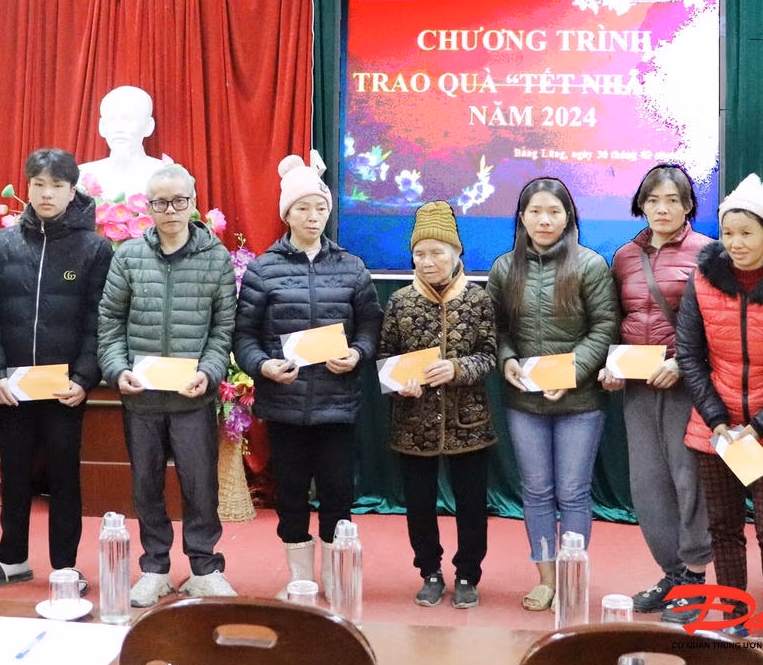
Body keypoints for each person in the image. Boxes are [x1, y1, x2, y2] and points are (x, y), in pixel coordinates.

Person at [674, 173, 763, 659]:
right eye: (727, 232)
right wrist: (718, 422)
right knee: (723, 529)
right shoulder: (703, 279)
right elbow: (689, 354)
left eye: (746, 233)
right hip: (715, 429)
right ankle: (735, 617)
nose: (735, 243)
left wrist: (759, 427)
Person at [233, 153, 382, 601]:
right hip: (285, 405)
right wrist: (263, 366)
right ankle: (300, 579)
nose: (312, 216)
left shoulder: (352, 267)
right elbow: (244, 335)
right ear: (287, 214)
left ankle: (335, 580)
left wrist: (357, 354)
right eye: (302, 208)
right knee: (291, 495)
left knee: (338, 493)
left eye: (320, 207)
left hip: (337, 404)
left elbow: (370, 326)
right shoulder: (263, 269)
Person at [0, 149, 113, 592]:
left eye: (56, 185)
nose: (46, 193)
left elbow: (99, 318)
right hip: (13, 386)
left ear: (72, 191)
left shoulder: (94, 248)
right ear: (27, 187)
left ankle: (65, 566)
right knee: (14, 473)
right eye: (38, 184)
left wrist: (84, 378)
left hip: (65, 388)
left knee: (63, 476)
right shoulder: (2, 243)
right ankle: (11, 560)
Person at [98, 163, 238, 607]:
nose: (171, 210)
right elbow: (109, 322)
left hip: (192, 397)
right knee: (146, 486)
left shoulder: (215, 258)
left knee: (201, 487)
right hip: (141, 399)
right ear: (149, 207)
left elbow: (223, 329)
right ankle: (154, 568)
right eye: (161, 202)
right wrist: (116, 369)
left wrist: (209, 372)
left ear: (193, 203)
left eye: (179, 201)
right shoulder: (128, 256)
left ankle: (204, 568)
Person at [486, 177, 620, 612]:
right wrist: (506, 358)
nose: (544, 220)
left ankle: (571, 577)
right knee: (537, 491)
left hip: (580, 401)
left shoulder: (590, 265)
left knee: (574, 492)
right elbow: (495, 327)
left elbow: (605, 327)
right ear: (522, 217)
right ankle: (546, 578)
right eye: (536, 212)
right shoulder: (504, 268)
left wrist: (574, 372)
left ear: (568, 217)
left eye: (554, 212)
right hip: (524, 401)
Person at [602, 164, 713, 622]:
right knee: (647, 485)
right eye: (653, 200)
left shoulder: (708, 253)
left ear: (688, 206)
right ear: (641, 205)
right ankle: (672, 574)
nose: (662, 209)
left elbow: (717, 324)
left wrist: (682, 363)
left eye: (672, 200)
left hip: (686, 385)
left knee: (689, 481)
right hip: (637, 387)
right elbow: (615, 319)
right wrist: (610, 366)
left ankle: (695, 578)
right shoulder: (625, 257)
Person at [377, 201, 495, 609]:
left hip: (469, 422)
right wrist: (400, 384)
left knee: (471, 505)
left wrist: (458, 368)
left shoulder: (478, 300)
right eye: (420, 253)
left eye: (437, 253)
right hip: (414, 422)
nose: (427, 262)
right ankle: (429, 571)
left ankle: (467, 574)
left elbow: (489, 356)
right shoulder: (400, 302)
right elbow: (385, 358)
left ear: (456, 253)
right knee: (419, 504)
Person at [77, 86, 167, 200]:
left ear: (149, 126)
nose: (119, 128)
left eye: (129, 119)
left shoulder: (167, 174)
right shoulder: (83, 175)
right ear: (102, 126)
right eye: (112, 120)